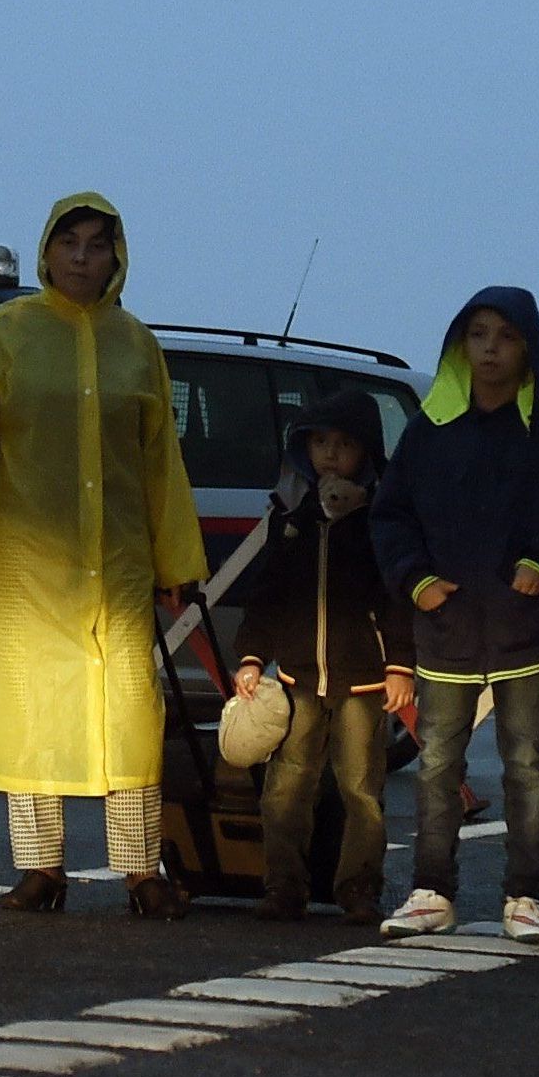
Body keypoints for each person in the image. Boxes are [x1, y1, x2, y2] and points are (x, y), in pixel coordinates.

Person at [0, 193, 210, 918]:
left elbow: (159, 460)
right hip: (27, 564)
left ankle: (143, 868)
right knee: (31, 709)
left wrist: (177, 560)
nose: (83, 257)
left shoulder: (136, 343)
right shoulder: (7, 332)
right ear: (47, 251)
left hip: (116, 566)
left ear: (119, 256)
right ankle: (41, 867)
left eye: (98, 244)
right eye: (70, 242)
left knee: (131, 715)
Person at [371, 288, 539, 946]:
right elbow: (390, 515)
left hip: (522, 634)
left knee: (526, 767)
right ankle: (431, 891)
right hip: (444, 634)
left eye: (505, 334)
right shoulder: (429, 430)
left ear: (527, 345)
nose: (491, 347)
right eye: (478, 333)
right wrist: (414, 579)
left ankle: (524, 897)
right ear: (459, 345)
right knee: (438, 764)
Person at [230, 387, 413, 924]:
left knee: (362, 788)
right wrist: (250, 656)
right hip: (297, 676)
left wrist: (401, 665)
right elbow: (268, 594)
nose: (330, 453)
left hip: (364, 679)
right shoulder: (294, 517)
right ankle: (284, 886)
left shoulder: (382, 522)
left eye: (344, 443)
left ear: (367, 452)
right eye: (319, 442)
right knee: (287, 786)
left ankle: (358, 888)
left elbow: (397, 597)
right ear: (303, 450)